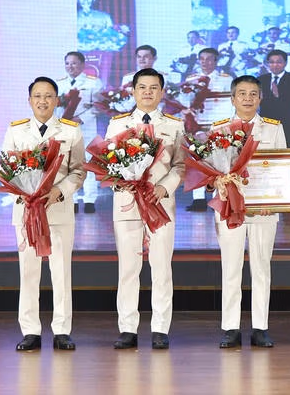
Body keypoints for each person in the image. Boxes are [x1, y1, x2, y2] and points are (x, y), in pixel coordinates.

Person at [4, 77, 85, 351]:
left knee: (61, 272)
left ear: (57, 100)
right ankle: (30, 331)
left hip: (58, 210)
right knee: (28, 272)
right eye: (37, 96)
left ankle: (62, 331)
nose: (43, 101)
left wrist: (58, 191)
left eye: (48, 96)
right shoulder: (16, 130)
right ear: (29, 100)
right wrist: (25, 194)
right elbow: (6, 170)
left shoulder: (71, 131)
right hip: (26, 211)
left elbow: (78, 171)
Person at [107, 68, 185, 350]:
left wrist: (165, 187)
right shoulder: (117, 124)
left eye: (154, 88)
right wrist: (121, 181)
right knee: (128, 268)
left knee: (161, 266)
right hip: (128, 204)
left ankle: (160, 328)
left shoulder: (174, 125)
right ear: (133, 91)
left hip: (160, 204)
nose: (148, 92)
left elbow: (180, 165)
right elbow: (107, 162)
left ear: (162, 92)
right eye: (142, 87)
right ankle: (127, 328)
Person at [214, 75, 287, 349]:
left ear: (260, 98)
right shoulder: (219, 128)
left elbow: (283, 167)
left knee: (261, 267)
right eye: (242, 94)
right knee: (230, 267)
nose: (247, 98)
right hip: (229, 207)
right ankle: (230, 328)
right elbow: (210, 169)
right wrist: (217, 181)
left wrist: (275, 201)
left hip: (263, 210)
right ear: (232, 98)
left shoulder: (273, 128)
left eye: (253, 94)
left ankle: (260, 327)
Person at [184, 48, 234, 212]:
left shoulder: (227, 80)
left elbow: (231, 106)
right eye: (202, 59)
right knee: (197, 162)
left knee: (220, 164)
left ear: (216, 61)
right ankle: (198, 199)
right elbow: (185, 104)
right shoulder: (191, 79)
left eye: (209, 59)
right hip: (197, 127)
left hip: (218, 127)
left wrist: (223, 128)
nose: (205, 62)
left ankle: (218, 198)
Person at [56, 51, 103, 214]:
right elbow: (55, 107)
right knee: (69, 164)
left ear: (82, 65)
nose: (70, 66)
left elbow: (98, 106)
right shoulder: (59, 83)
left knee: (88, 163)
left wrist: (81, 119)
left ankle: (90, 200)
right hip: (66, 129)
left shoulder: (94, 82)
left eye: (74, 63)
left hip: (86, 127)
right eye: (67, 63)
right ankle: (73, 199)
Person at [258, 50, 290, 148]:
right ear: (268, 63)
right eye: (272, 62)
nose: (275, 65)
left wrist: (279, 95)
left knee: (287, 155)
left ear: (285, 63)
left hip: (287, 128)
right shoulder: (261, 80)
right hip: (266, 126)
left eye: (279, 62)